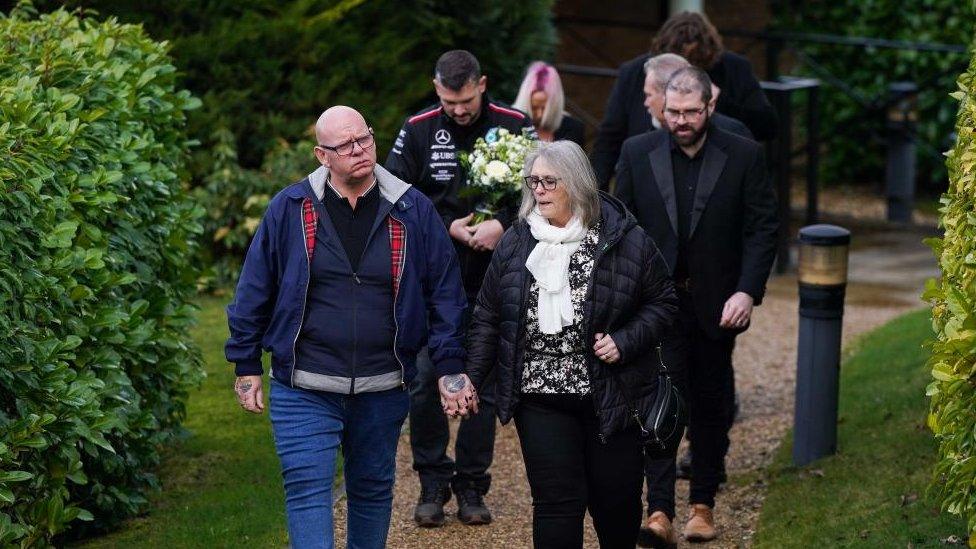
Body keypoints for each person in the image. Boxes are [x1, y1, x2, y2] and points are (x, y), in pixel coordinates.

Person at [226, 106, 468, 549]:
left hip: (383, 384)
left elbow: (446, 294)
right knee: (306, 490)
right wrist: (246, 362)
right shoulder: (291, 208)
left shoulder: (412, 209)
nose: (360, 150)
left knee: (372, 491)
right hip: (304, 384)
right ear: (322, 155)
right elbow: (255, 287)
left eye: (365, 139)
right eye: (346, 145)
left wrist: (450, 367)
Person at [458, 140, 677, 548]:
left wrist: (624, 341)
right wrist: (471, 376)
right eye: (533, 181)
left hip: (611, 390)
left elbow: (663, 302)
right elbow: (489, 315)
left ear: (575, 185)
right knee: (557, 503)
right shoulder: (517, 242)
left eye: (549, 182)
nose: (538, 190)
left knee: (616, 504)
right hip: (540, 395)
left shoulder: (623, 237)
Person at [615, 68, 778, 545]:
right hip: (656, 304)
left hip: (717, 303)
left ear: (710, 107)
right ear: (661, 109)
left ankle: (703, 503)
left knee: (711, 405)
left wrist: (747, 291)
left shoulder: (743, 154)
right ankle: (660, 510)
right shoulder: (636, 153)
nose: (681, 121)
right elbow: (619, 228)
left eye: (690, 112)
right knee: (660, 401)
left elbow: (763, 226)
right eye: (672, 112)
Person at [385, 49, 536, 527]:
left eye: (467, 100)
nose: (459, 110)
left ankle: (473, 484)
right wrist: (446, 224)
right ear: (437, 90)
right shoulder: (418, 129)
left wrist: (505, 225)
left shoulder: (516, 125)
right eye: (450, 101)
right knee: (426, 380)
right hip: (433, 281)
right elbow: (393, 197)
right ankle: (432, 479)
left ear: (483, 84)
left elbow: (550, 194)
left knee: (484, 384)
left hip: (498, 278)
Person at [591, 10, 776, 190]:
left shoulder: (734, 69)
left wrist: (717, 101)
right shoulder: (634, 72)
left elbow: (767, 125)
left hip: (718, 178)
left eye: (694, 65)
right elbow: (609, 138)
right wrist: (595, 198)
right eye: (673, 71)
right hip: (650, 180)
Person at [512, 61, 586, 146]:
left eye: (545, 108)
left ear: (555, 105)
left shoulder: (573, 129)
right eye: (534, 108)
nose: (540, 114)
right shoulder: (511, 124)